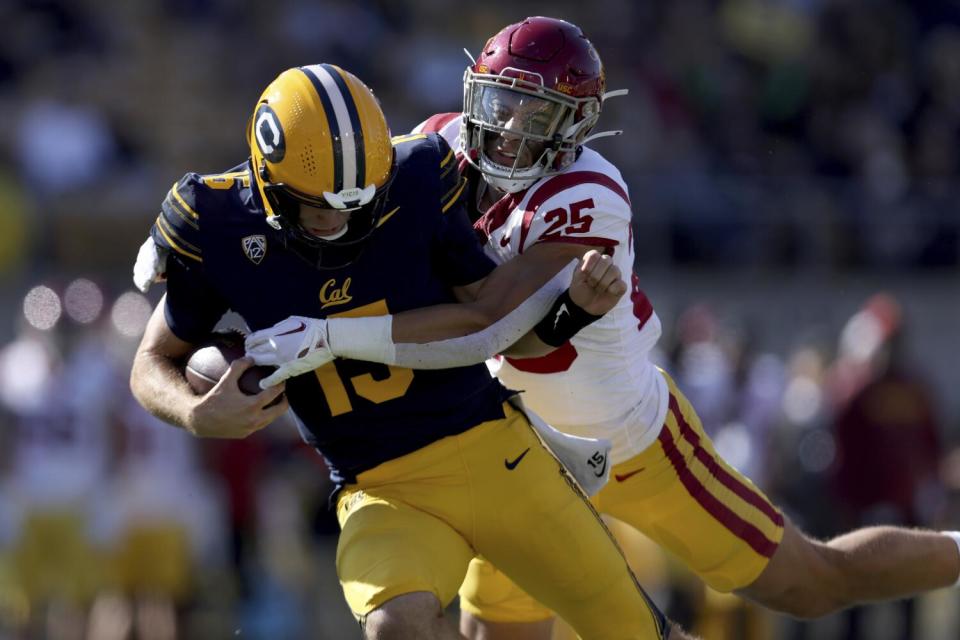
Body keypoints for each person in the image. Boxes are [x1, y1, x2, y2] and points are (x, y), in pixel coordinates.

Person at [408, 16, 960, 639]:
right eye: (501, 102)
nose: (507, 130)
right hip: (519, 450)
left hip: (630, 444)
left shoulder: (588, 192)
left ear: (573, 125)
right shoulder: (437, 148)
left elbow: (493, 321)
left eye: (534, 114)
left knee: (809, 584)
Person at [130, 63, 696, 639]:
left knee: (635, 631)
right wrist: (197, 413)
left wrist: (330, 338)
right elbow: (150, 363)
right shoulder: (218, 225)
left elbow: (484, 317)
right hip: (376, 484)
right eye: (319, 207)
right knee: (395, 626)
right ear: (268, 185)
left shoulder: (417, 175)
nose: (341, 219)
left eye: (358, 201)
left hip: (494, 447)